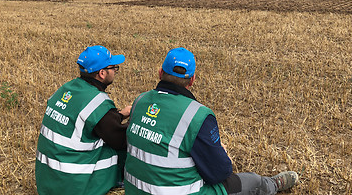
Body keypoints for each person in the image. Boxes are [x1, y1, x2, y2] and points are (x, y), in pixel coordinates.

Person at [124, 47, 299, 195]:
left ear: (160, 73)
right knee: (251, 181)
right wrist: (221, 154)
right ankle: (274, 185)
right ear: (192, 80)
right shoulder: (197, 115)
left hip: (135, 190)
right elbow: (220, 173)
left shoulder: (140, 101)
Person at [35, 45, 132, 195]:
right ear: (102, 73)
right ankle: (118, 180)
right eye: (114, 68)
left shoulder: (67, 89)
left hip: (48, 179)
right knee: (124, 149)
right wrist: (139, 121)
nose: (115, 71)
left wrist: (119, 114)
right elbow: (120, 139)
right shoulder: (97, 102)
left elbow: (88, 119)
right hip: (72, 184)